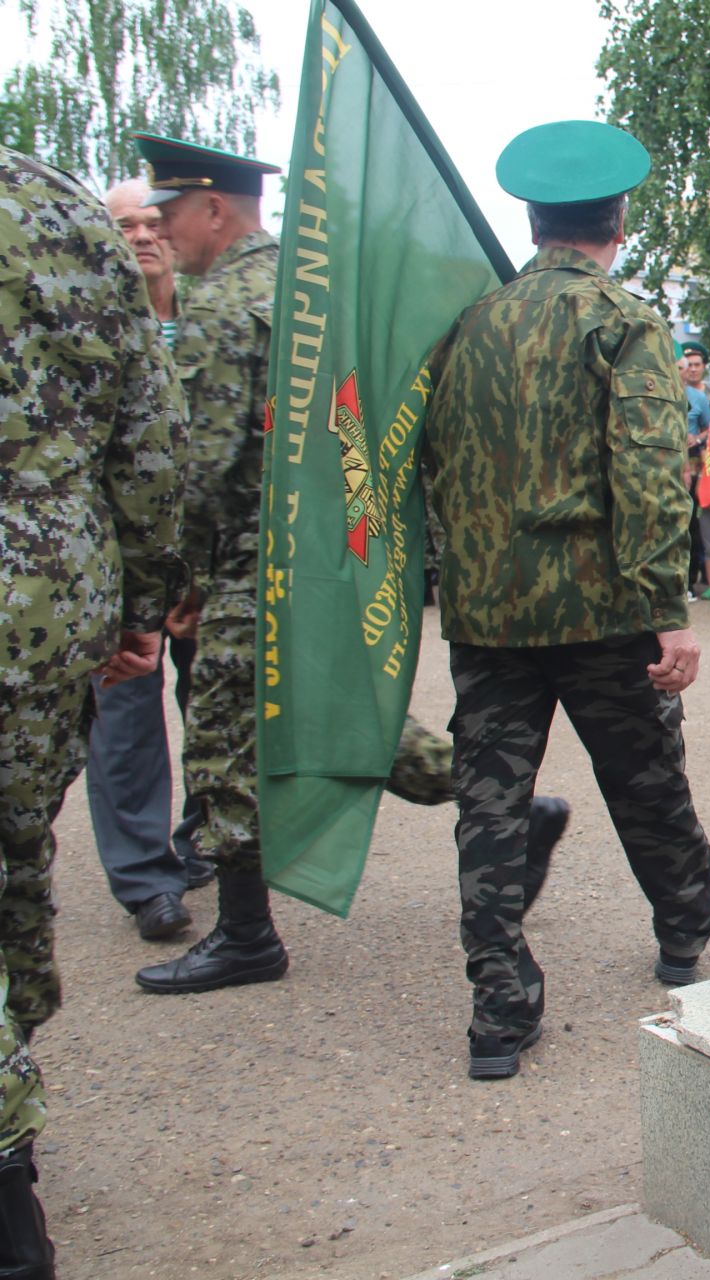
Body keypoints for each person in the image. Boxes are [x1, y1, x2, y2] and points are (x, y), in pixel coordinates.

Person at [419, 121, 710, 1080]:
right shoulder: (622, 322)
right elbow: (647, 474)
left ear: (535, 217)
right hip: (598, 613)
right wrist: (668, 604)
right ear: (617, 219)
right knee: (644, 781)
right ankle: (684, 929)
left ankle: (498, 1012)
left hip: (487, 613)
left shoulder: (465, 323)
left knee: (490, 806)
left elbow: (425, 460)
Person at [0, 145, 188, 1273]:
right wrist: (138, 593)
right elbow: (144, 427)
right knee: (15, 855)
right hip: (42, 600)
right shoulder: (51, 208)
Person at [122, 133, 293, 996]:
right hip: (317, 557)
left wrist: (171, 589)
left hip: (247, 565)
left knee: (223, 746)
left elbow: (200, 468)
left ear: (215, 209)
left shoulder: (224, 306)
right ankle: (510, 813)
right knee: (332, 719)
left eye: (171, 212)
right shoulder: (307, 286)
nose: (162, 230)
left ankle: (247, 934)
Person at [82, 176, 207, 941]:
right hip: (121, 560)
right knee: (126, 717)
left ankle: (200, 840)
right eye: (125, 225)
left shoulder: (209, 320)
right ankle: (146, 880)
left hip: (203, 561)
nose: (143, 236)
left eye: (154, 222)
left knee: (217, 710)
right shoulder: (87, 327)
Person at [681, 342, 710, 592]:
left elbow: (709, 429)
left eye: (693, 365)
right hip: (668, 461)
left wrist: (697, 438)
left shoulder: (699, 397)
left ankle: (691, 579)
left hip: (692, 462)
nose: (689, 370)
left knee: (692, 521)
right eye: (684, 366)